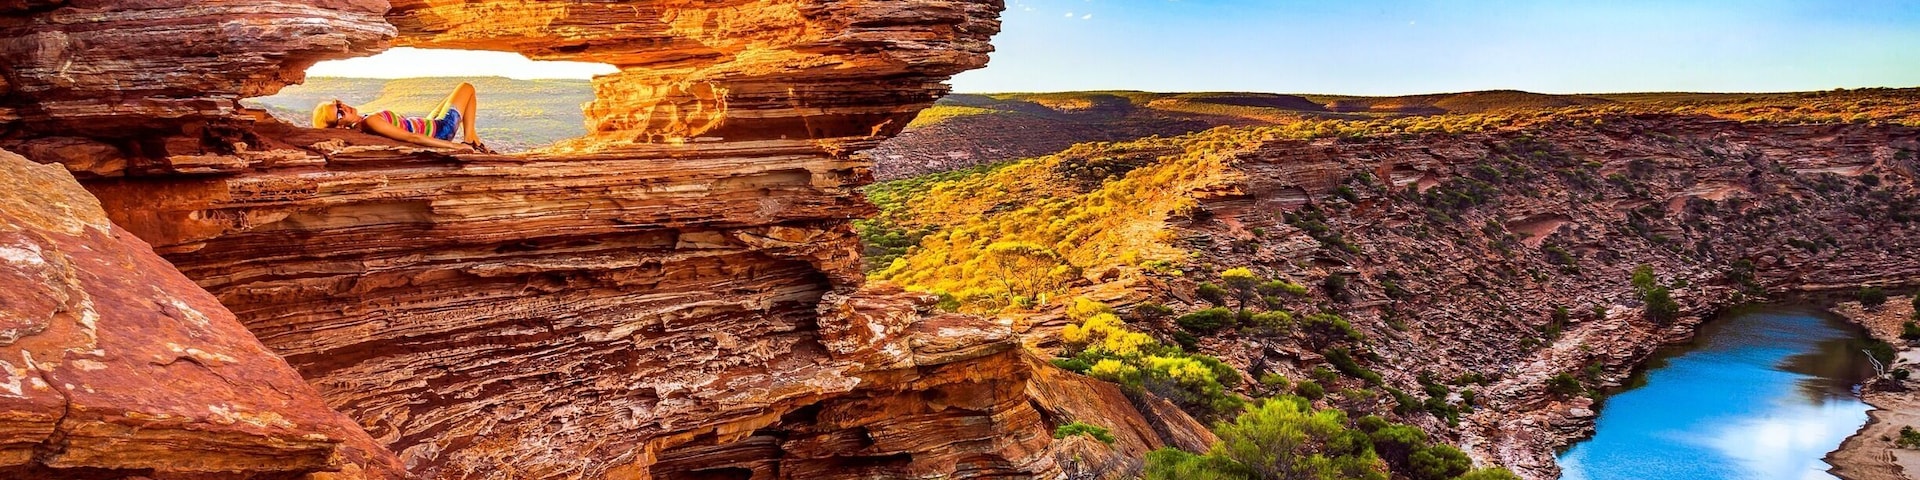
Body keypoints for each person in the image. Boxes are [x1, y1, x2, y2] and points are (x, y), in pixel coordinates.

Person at [311, 81, 488, 152]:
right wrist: (455, 147)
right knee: (466, 88)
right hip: (439, 131)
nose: (345, 107)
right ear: (340, 127)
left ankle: (474, 139)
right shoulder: (370, 121)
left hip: (428, 124)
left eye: (338, 104)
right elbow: (412, 137)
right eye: (340, 113)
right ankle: (470, 139)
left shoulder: (363, 121)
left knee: (448, 100)